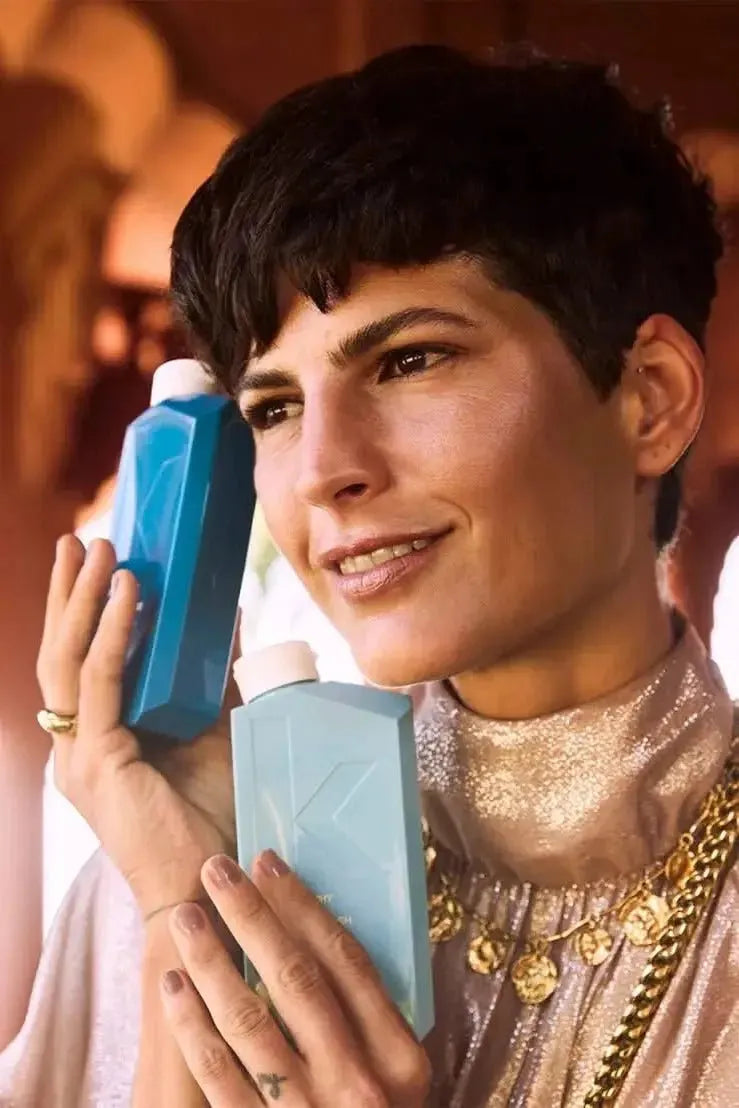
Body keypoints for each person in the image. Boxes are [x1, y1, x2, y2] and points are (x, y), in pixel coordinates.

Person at [3, 43, 738, 1107]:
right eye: (272, 407)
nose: (322, 471)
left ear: (649, 398)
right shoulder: (175, 875)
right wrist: (182, 901)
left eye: (409, 360)